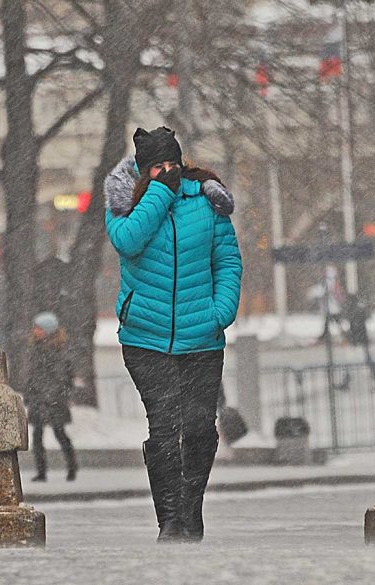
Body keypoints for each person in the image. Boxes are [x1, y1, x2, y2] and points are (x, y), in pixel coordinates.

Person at [105, 126, 241, 543]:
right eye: (157, 168)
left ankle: (190, 511)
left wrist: (220, 312)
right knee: (165, 426)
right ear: (143, 171)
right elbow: (128, 242)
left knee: (199, 427)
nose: (167, 172)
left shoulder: (206, 201)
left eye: (172, 166)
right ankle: (170, 521)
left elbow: (228, 261)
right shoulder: (126, 202)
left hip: (201, 337)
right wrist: (160, 193)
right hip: (146, 339)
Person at [24, 312, 78, 482]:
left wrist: (54, 394)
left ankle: (71, 467)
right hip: (39, 398)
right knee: (37, 437)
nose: (35, 331)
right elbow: (32, 376)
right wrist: (30, 394)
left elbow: (63, 377)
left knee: (59, 433)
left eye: (38, 328)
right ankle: (41, 472)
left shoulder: (59, 352)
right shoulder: (36, 350)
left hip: (54, 400)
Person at [345, 293, 375, 391]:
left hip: (359, 341)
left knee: (359, 361)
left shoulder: (355, 311)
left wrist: (353, 338)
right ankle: (346, 380)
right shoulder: (358, 310)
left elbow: (356, 327)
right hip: (360, 340)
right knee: (358, 361)